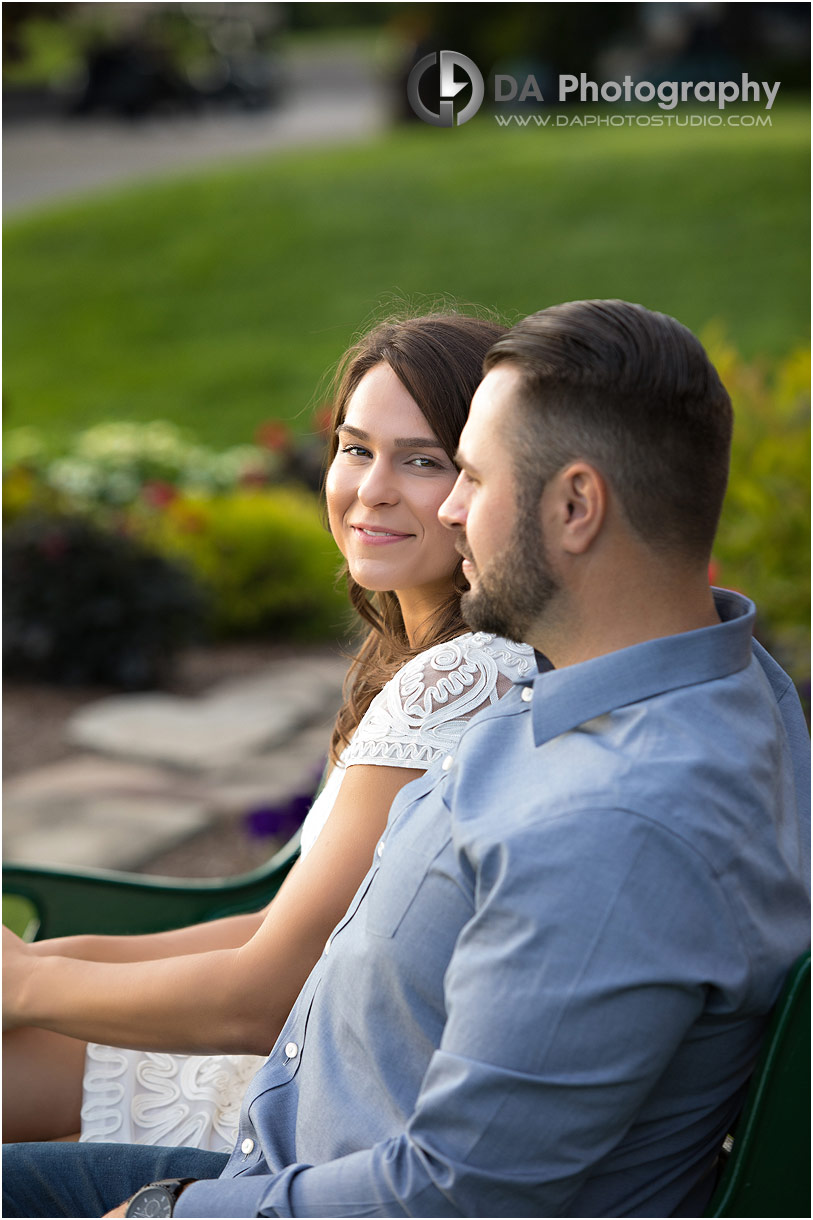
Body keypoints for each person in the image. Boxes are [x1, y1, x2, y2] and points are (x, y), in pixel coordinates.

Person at [4, 299, 809, 1219]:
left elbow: (453, 1198)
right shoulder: (654, 677)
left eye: (463, 473)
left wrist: (162, 1212)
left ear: (576, 506)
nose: (454, 513)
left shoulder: (611, 824)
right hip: (278, 1149)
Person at [2, 312, 535, 1150]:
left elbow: (270, 989)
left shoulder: (463, 676)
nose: (373, 488)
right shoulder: (422, 656)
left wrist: (31, 985)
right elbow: (280, 923)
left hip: (300, 1104)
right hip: (295, 1044)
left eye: (424, 461)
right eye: (356, 449)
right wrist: (43, 965)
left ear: (484, 481)